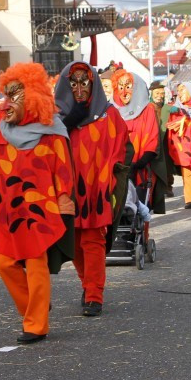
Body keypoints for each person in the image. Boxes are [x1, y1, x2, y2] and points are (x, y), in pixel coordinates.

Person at [0, 63, 74, 344]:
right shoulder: (1, 128)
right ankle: (35, 307)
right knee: (2, 262)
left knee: (36, 264)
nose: (5, 104)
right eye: (4, 96)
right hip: (6, 209)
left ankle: (36, 324)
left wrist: (63, 202)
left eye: (13, 97)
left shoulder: (51, 133)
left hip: (39, 211)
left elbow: (63, 171)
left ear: (32, 97)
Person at [55, 62, 128, 316]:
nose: (78, 89)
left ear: (93, 84)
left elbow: (120, 149)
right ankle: (88, 284)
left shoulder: (110, 115)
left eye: (84, 82)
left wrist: (111, 181)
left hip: (98, 188)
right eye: (72, 83)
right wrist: (66, 123)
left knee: (93, 239)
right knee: (73, 241)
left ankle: (95, 295)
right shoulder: (56, 118)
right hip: (67, 188)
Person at [110, 69, 167, 214]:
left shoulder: (147, 110)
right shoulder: (111, 111)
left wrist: (140, 162)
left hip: (141, 168)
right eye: (120, 87)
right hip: (117, 168)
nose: (124, 92)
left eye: (128, 87)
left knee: (140, 212)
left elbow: (152, 138)